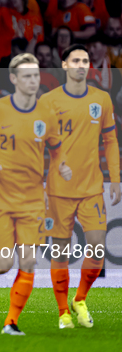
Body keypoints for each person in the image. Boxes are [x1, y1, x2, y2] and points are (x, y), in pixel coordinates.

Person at [0, 53, 72, 335]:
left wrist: (60, 168)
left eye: (35, 75)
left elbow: (56, 147)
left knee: (28, 262)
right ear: (13, 79)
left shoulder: (47, 114)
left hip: (33, 201)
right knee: (2, 263)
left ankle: (11, 322)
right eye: (26, 76)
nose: (33, 81)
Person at [39, 44, 121, 329]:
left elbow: (110, 141)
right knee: (60, 251)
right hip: (58, 189)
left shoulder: (102, 99)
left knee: (97, 248)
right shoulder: (48, 101)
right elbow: (38, 144)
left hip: (92, 188)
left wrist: (116, 179)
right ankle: (63, 312)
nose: (81, 65)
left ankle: (80, 299)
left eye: (85, 60)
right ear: (64, 65)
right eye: (75, 60)